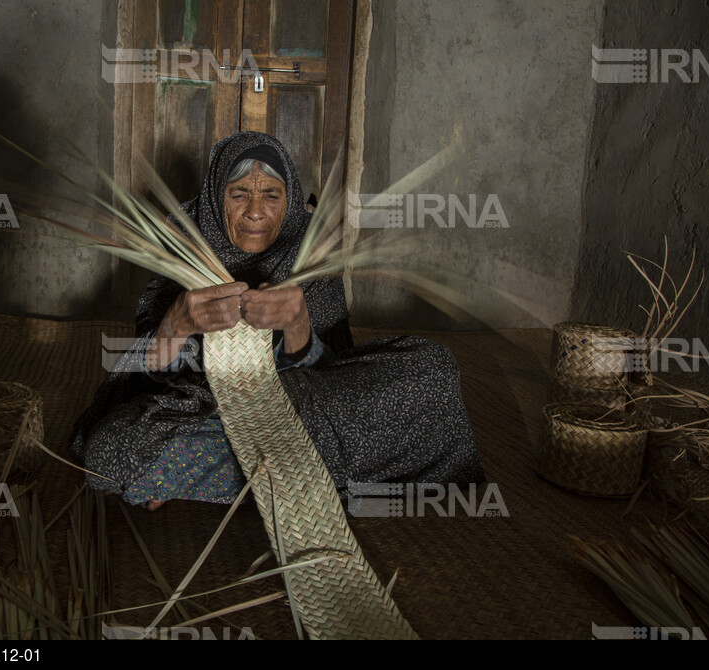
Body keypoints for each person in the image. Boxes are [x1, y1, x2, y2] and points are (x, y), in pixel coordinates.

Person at [67, 131, 484, 509]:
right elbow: (138, 376)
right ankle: (307, 471)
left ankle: (222, 472)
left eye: (271, 194)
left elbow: (338, 369)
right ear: (215, 198)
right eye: (238, 194)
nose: (255, 212)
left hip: (304, 405)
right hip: (208, 408)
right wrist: (178, 324)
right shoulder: (183, 249)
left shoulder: (311, 251)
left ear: (290, 199)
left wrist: (299, 325)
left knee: (433, 367)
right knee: (108, 450)